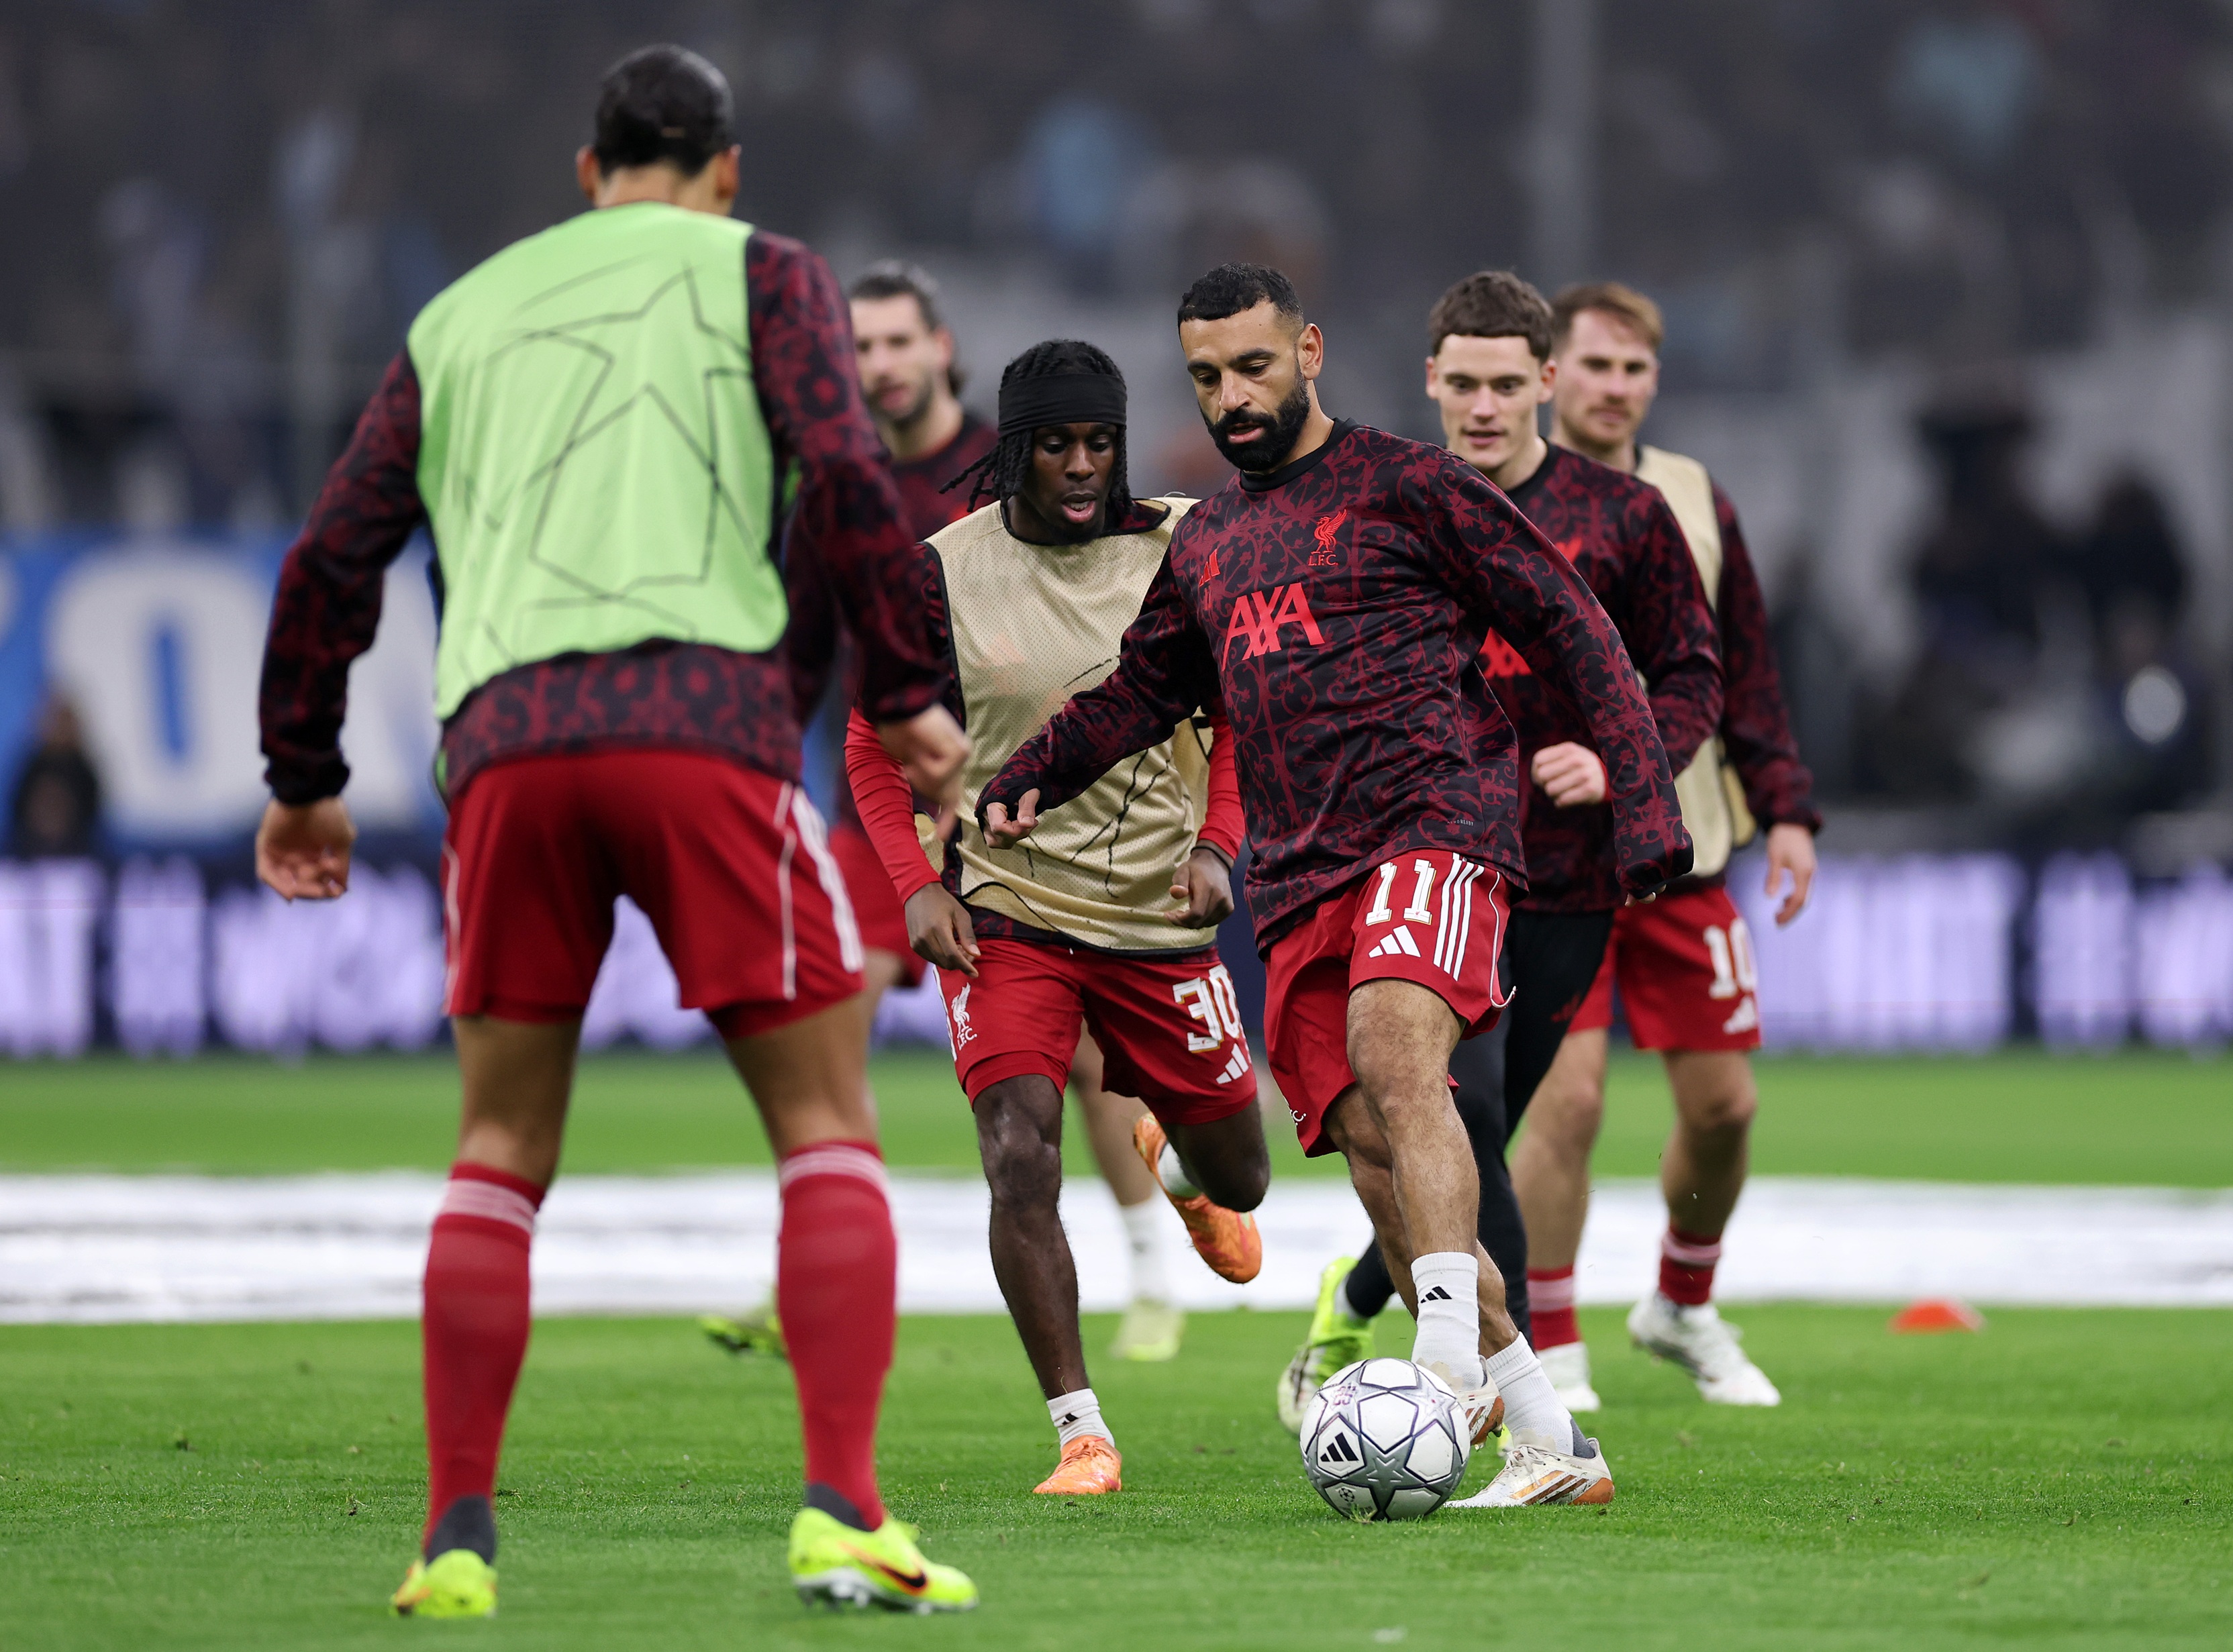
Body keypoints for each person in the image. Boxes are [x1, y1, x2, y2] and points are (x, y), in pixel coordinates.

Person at [254, 46, 979, 1616]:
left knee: (500, 1147)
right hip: (699, 734)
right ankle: (842, 1510)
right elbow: (849, 475)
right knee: (824, 1124)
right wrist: (909, 688)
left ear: (586, 176)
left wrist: (301, 769)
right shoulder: (762, 272)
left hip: (504, 751)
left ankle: (451, 1538)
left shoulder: (458, 315)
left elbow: (332, 554)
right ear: (724, 173)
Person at [980, 262, 1696, 1508]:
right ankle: (1547, 1437)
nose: (1231, 396)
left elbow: (1571, 619)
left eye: (1252, 366)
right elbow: (1145, 690)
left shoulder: (1409, 485)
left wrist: (1645, 800)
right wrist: (1029, 770)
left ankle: (1430, 1371)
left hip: (1439, 820)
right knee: (1374, 1146)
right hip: (1303, 874)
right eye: (1206, 376)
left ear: (1308, 350)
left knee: (1394, 1051)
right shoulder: (1207, 539)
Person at [1281, 272, 1722, 1426]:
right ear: (1430, 380)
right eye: (1461, 383)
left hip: (1563, 879)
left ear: (1546, 383)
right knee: (1457, 1107)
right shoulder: (1384, 506)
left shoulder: (1624, 519)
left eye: (1504, 385)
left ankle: (1374, 1279)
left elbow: (1687, 675)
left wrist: (1627, 765)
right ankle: (1509, 1400)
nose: (1481, 407)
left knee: (1481, 1127)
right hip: (1427, 859)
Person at [846, 339, 1269, 1496]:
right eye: (1056, 447)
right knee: (1017, 1150)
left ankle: (1176, 1176)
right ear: (1012, 452)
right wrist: (918, 885)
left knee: (1243, 1178)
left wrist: (1217, 842)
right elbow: (870, 740)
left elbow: (1231, 712)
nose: (1081, 467)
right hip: (1009, 909)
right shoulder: (939, 571)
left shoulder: (1185, 544)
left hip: (1158, 917)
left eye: (1098, 443)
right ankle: (1082, 1431)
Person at [843, 266, 1193, 1362]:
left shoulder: (1009, 477)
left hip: (1055, 807)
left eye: (897, 340)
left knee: (1089, 1066)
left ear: (938, 347)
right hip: (907, 794)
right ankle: (830, 1258)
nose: (880, 363)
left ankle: (1149, 1263)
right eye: (859, 346)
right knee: (830, 1031)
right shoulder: (836, 487)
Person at [1509, 280, 1820, 1409]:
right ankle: (1551, 1341)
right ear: (1553, 373)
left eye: (1632, 368)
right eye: (1593, 364)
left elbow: (1739, 664)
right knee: (1570, 1100)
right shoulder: (1508, 497)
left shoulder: (1691, 497)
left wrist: (1783, 803)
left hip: (1683, 851)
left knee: (1725, 1107)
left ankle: (1680, 1303)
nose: (1612, 386)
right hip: (1552, 861)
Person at [7, 695, 102, 859]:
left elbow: (94, 815)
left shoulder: (84, 772)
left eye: (65, 722)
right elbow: (16, 809)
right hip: (30, 851)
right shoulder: (32, 767)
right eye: (55, 721)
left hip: (76, 851)